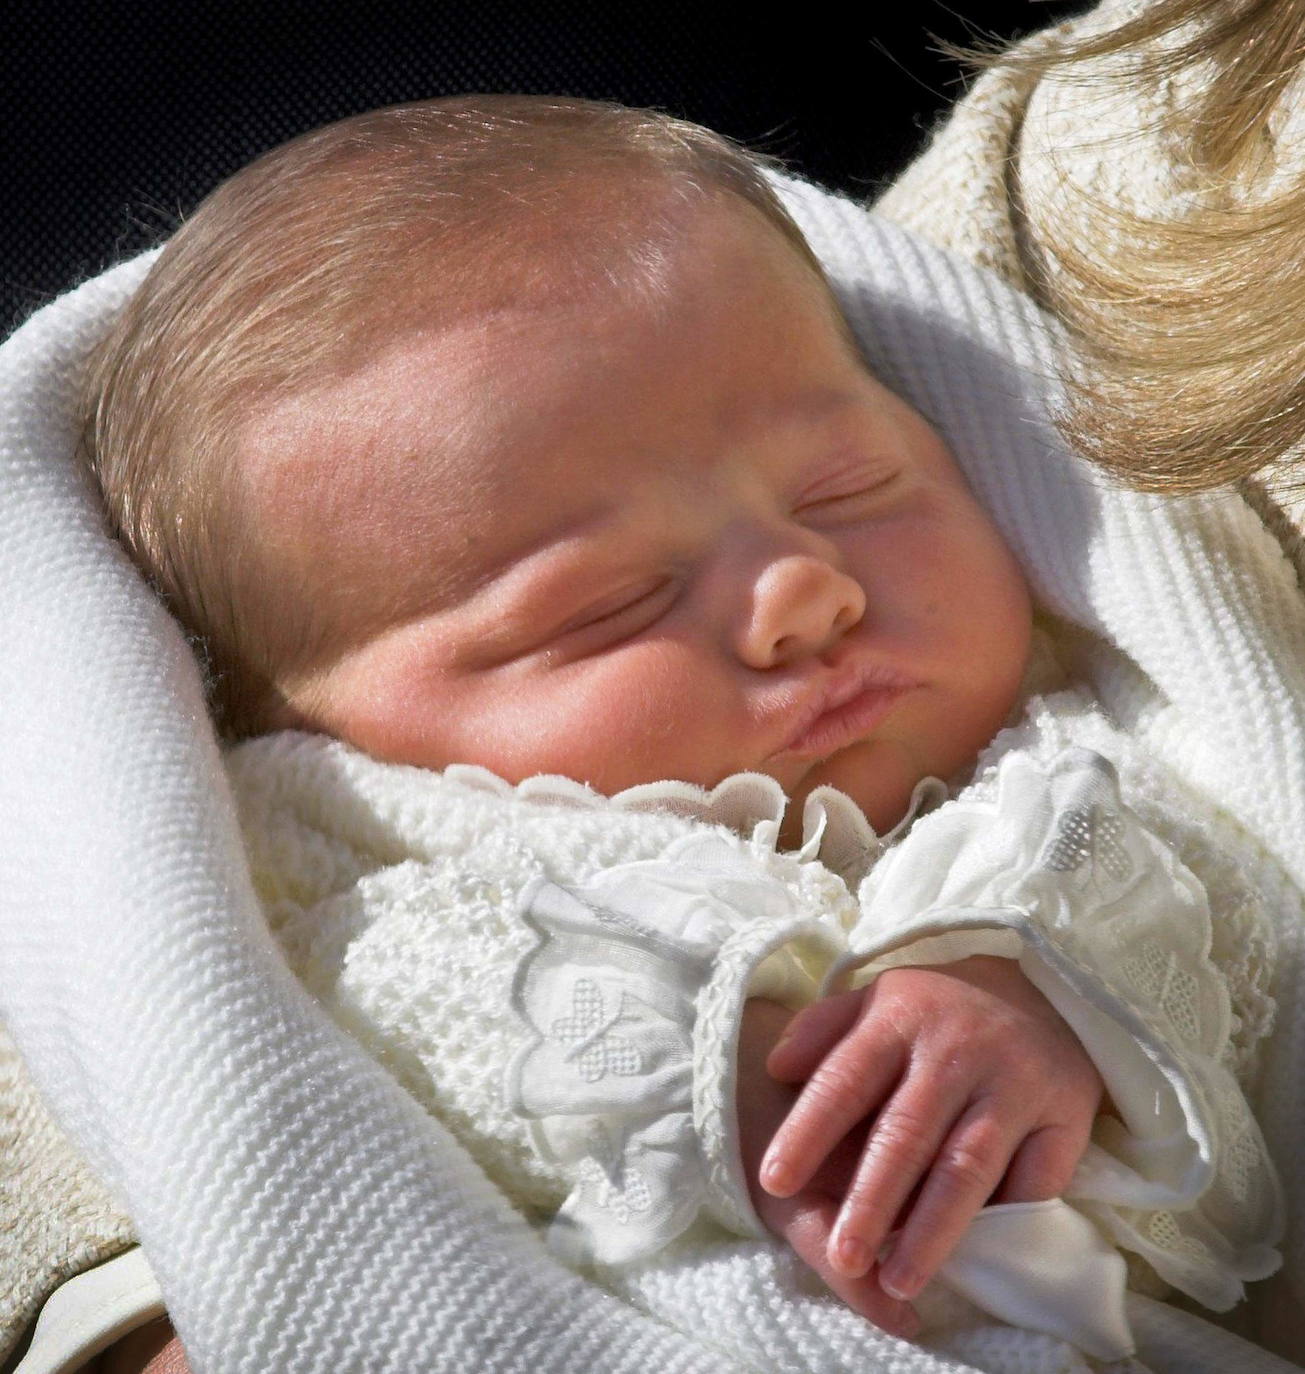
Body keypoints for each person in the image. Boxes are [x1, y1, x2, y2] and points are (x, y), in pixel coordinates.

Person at [60, 92, 1286, 1372]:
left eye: (848, 488)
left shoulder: (1066, 748)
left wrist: (1034, 983)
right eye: (608, 603)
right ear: (303, 722)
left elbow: (1219, 875)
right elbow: (339, 1005)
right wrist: (695, 1051)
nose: (802, 589)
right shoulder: (318, 855)